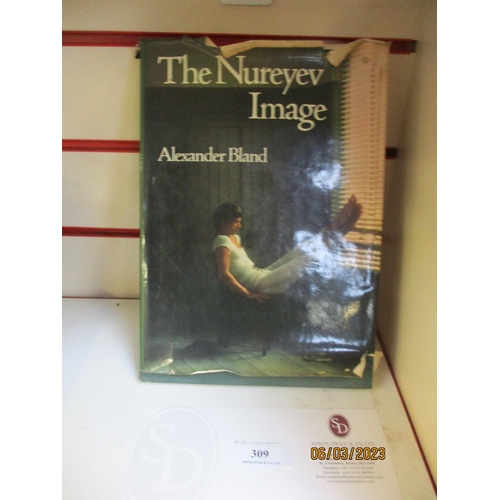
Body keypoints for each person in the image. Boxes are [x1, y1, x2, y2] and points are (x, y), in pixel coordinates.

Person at [212, 197, 362, 302]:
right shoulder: (221, 241)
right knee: (305, 259)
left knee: (300, 250)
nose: (240, 226)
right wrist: (247, 294)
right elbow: (223, 274)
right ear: (224, 222)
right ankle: (343, 229)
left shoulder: (234, 237)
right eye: (236, 222)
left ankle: (337, 225)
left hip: (261, 274)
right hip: (259, 284)